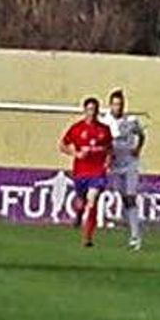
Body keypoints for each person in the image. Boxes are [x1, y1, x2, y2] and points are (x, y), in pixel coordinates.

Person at [59, 98, 112, 247]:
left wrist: (108, 161)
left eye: (94, 110)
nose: (92, 113)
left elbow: (110, 148)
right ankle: (79, 214)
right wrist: (75, 154)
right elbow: (62, 145)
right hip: (81, 171)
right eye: (89, 110)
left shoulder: (104, 130)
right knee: (81, 202)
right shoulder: (77, 128)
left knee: (92, 201)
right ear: (84, 110)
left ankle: (88, 237)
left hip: (98, 172)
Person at [99, 88, 146, 251]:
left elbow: (142, 135)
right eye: (114, 104)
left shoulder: (131, 121)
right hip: (115, 165)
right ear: (110, 105)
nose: (117, 107)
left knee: (131, 196)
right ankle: (132, 226)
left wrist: (138, 148)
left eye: (119, 105)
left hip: (130, 163)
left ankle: (135, 235)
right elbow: (102, 143)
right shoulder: (105, 122)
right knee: (124, 198)